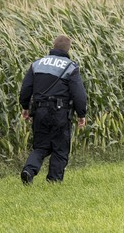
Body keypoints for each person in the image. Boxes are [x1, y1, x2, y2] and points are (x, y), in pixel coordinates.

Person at [19, 35, 88, 184]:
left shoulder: (37, 64)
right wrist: (81, 114)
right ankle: (53, 182)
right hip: (60, 113)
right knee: (60, 148)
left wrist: (25, 107)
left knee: (40, 146)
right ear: (68, 49)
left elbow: (25, 88)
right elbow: (78, 94)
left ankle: (28, 170)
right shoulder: (70, 67)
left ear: (53, 46)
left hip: (39, 112)